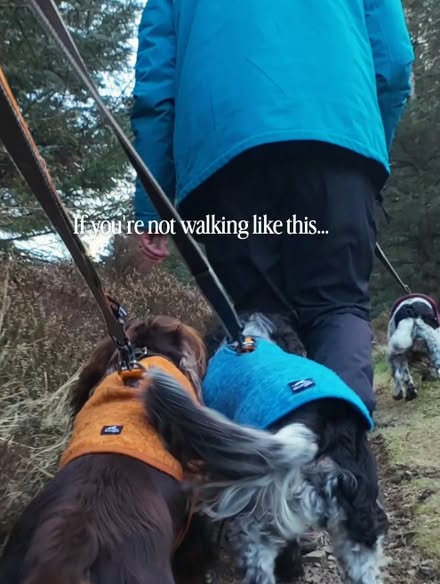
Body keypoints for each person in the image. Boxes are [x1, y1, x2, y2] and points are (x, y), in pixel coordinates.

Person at [131, 0, 413, 414]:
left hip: (224, 157)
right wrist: (369, 152)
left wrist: (154, 204)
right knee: (336, 307)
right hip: (339, 144)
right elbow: (393, 61)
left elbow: (155, 92)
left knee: (256, 318)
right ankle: (343, 457)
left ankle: (271, 460)